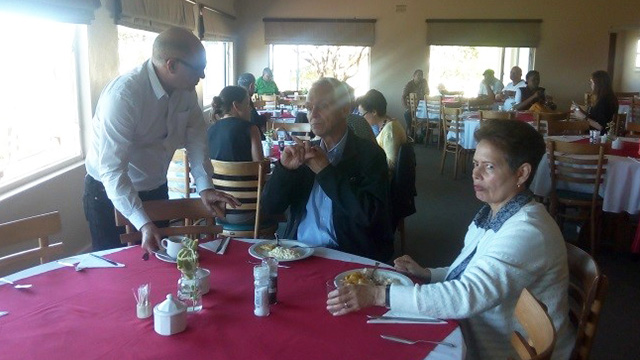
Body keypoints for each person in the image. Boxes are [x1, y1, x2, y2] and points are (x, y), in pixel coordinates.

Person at [327, 119, 574, 360]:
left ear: (521, 173)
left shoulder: (527, 231)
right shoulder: (498, 211)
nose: (475, 173)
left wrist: (376, 295)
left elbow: (467, 295)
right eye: (476, 163)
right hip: (482, 331)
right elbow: (476, 271)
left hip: (505, 350)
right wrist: (429, 274)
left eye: (488, 167)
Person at [83, 27, 240, 253]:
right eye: (198, 68)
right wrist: (144, 223)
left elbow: (197, 141)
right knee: (114, 274)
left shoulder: (186, 93)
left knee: (161, 267)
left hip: (155, 188)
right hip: (108, 193)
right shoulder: (124, 97)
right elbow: (112, 171)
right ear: (172, 65)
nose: (202, 76)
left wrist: (205, 187)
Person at [261, 78, 393, 262]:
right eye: (308, 108)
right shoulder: (304, 154)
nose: (313, 114)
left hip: (345, 256)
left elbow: (370, 217)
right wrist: (284, 170)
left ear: (345, 109)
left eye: (322, 106)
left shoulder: (370, 155)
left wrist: (325, 171)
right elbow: (270, 208)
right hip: (298, 252)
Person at [208, 85, 263, 162]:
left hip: (214, 174)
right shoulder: (252, 129)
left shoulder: (210, 130)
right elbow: (260, 166)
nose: (250, 109)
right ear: (236, 105)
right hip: (245, 174)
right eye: (247, 104)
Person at [358, 89, 407, 175]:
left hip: (385, 180)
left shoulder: (390, 131)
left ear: (374, 112)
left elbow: (392, 164)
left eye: (362, 114)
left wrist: (368, 159)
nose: (362, 118)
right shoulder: (389, 123)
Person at [572, 70, 618, 135]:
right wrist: (580, 111)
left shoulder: (604, 101)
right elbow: (595, 118)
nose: (591, 85)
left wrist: (583, 117)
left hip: (599, 137)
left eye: (592, 82)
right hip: (599, 135)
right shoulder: (610, 97)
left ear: (599, 84)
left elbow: (601, 127)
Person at [237, 72, 270, 139]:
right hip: (251, 137)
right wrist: (265, 117)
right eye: (254, 85)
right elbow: (254, 121)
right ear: (251, 86)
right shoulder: (246, 100)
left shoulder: (237, 98)